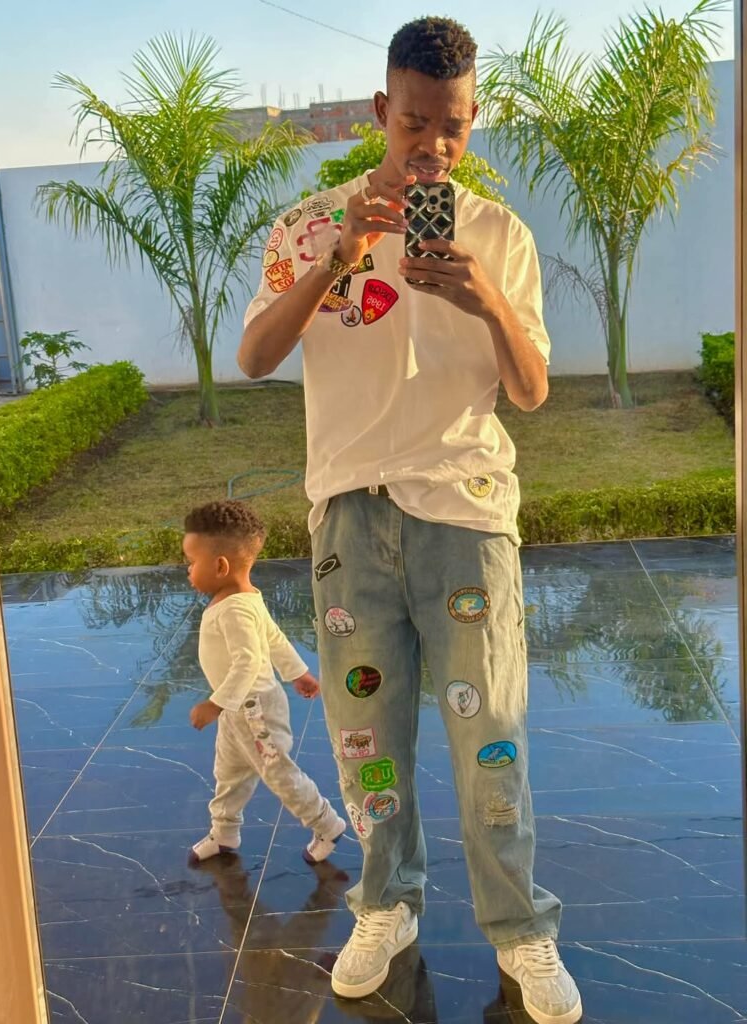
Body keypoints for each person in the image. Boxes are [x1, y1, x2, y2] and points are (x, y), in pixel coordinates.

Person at [238, 15, 582, 1024]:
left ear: (473, 119)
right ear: (383, 109)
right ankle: (385, 904)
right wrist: (339, 258)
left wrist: (485, 300)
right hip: (351, 520)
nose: (435, 144)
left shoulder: (499, 236)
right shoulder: (310, 225)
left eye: (455, 127)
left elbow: (531, 391)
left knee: (492, 739)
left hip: (465, 516)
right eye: (417, 122)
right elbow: (255, 356)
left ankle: (519, 927)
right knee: (366, 743)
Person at [184, 499, 346, 866]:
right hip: (239, 712)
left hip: (253, 712)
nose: (188, 570)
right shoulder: (245, 598)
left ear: (220, 566)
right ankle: (224, 831)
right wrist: (298, 672)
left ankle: (327, 824)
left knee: (278, 773)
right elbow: (273, 638)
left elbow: (248, 662)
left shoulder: (236, 610)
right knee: (228, 773)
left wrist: (214, 704)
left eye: (191, 562)